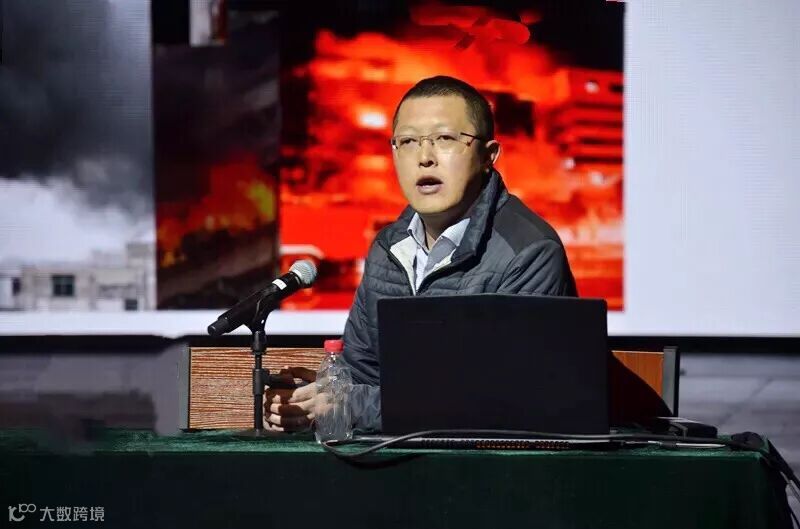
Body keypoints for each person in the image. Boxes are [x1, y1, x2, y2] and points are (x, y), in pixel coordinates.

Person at [264, 75, 577, 432]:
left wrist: (351, 406)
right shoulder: (387, 247)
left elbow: (504, 400)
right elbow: (362, 376)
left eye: (445, 139)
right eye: (408, 142)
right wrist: (313, 399)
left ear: (488, 156)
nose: (425, 158)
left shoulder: (530, 253)